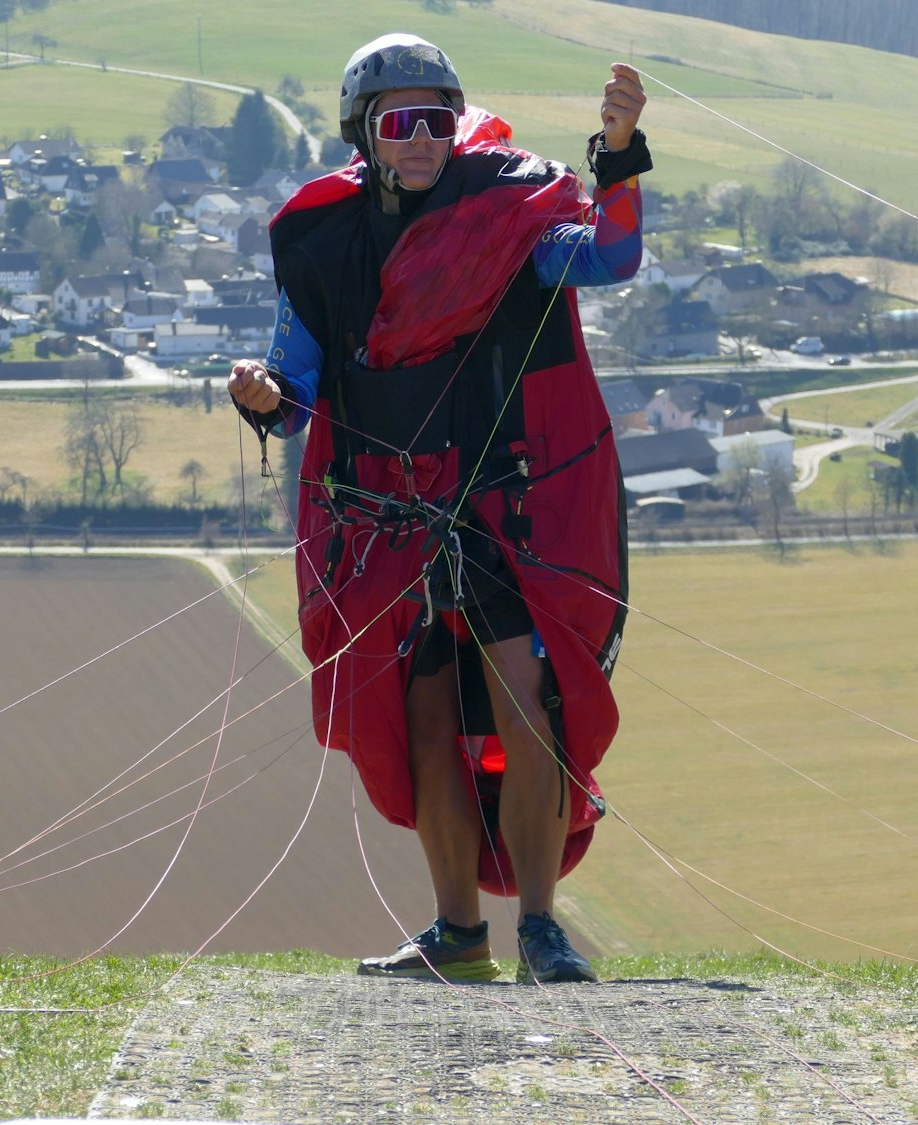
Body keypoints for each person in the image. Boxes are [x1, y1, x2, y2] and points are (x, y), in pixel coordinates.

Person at [230, 33, 649, 985]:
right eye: (399, 123)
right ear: (366, 136)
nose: (422, 139)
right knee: (422, 718)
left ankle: (541, 928)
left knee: (525, 704)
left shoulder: (509, 211)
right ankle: (458, 932)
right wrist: (261, 393)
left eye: (438, 121)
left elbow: (612, 257)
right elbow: (297, 381)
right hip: (388, 517)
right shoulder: (324, 242)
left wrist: (618, 154)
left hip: (504, 505)